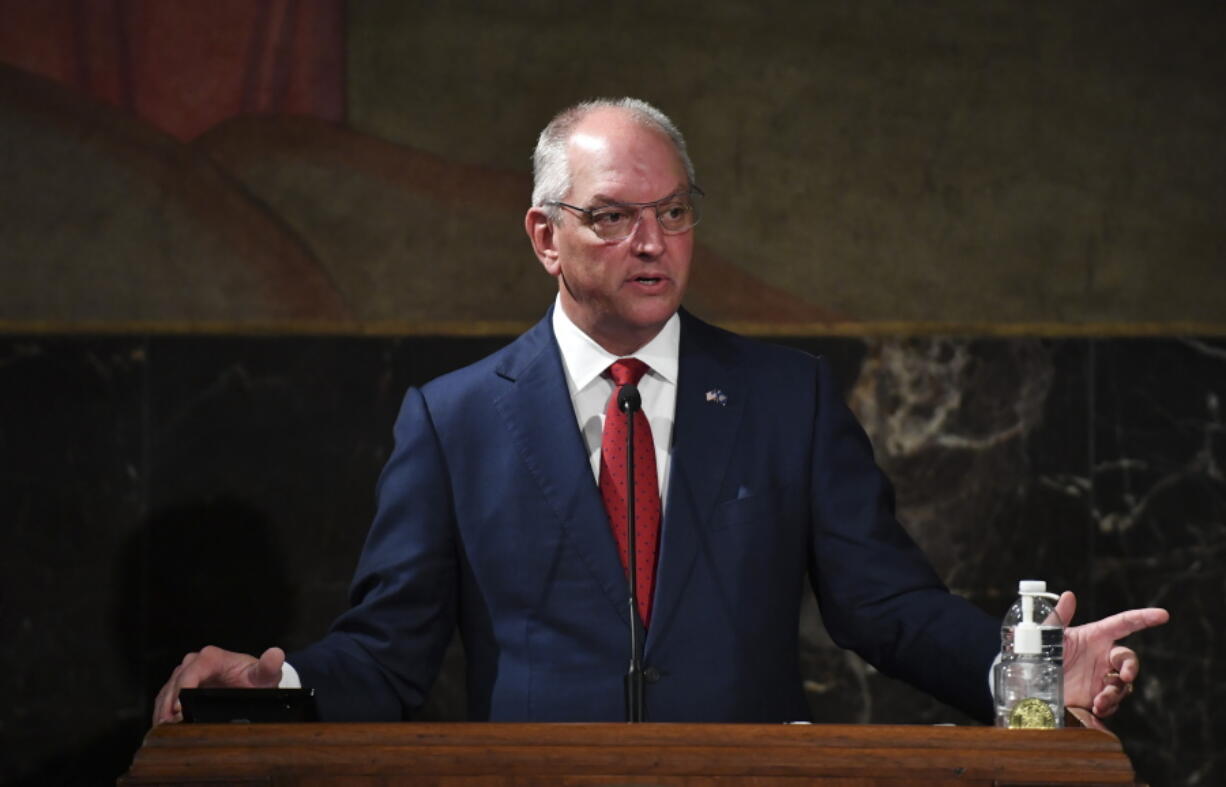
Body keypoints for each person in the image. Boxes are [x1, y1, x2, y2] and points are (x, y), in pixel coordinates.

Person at [154, 98, 1167, 725]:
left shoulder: (786, 399)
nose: (652, 241)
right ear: (544, 238)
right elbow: (387, 650)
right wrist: (269, 695)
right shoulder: (451, 419)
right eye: (612, 217)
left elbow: (885, 607)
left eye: (672, 211)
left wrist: (1021, 672)